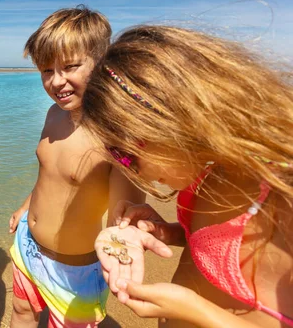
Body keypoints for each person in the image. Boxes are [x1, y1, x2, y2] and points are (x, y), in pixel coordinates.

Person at [83, 25, 293, 327]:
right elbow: (219, 243)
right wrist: (164, 232)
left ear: (172, 120)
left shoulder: (283, 195)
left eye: (126, 152)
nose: (127, 168)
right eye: (116, 156)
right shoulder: (203, 179)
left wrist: (193, 308)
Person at [8, 5, 150, 328]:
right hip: (28, 246)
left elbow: (123, 219)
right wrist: (25, 207)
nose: (57, 82)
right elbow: (49, 175)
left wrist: (121, 256)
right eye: (46, 70)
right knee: (21, 311)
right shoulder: (53, 114)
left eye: (70, 66)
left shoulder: (116, 138)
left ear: (101, 63)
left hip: (75, 270)